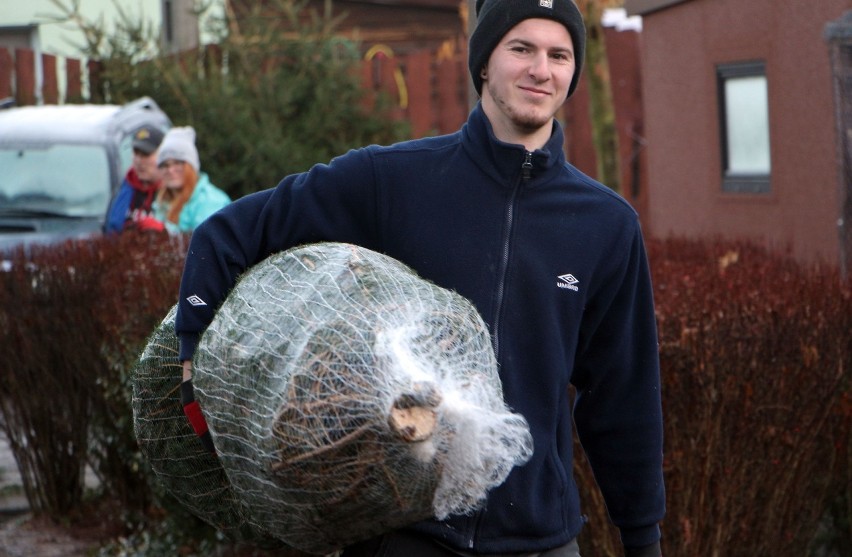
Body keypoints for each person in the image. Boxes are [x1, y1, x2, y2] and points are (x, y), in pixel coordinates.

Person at [174, 0, 665, 556]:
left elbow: (623, 397)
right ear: (484, 63)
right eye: (521, 48)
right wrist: (192, 347)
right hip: (403, 531)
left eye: (559, 54)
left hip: (538, 538)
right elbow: (228, 233)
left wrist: (641, 537)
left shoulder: (605, 224)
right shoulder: (395, 181)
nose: (540, 69)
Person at [153, 126, 231, 233]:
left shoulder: (211, 201)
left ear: (191, 166)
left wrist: (163, 230)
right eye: (165, 165)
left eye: (178, 163)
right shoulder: (162, 201)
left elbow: (205, 243)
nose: (171, 170)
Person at [105, 124, 167, 233]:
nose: (138, 160)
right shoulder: (125, 187)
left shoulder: (172, 192)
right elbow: (110, 229)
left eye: (145, 154)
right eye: (136, 153)